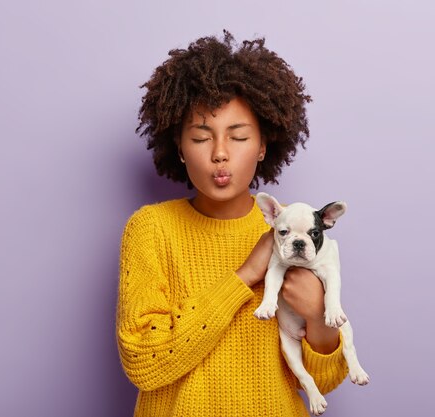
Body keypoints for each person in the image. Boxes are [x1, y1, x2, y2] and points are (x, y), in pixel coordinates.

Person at [116, 30, 349, 417]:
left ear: (262, 146)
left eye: (238, 137)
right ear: (179, 147)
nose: (220, 154)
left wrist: (317, 314)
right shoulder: (151, 229)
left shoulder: (297, 231)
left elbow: (324, 383)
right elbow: (145, 360)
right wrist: (246, 274)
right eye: (201, 137)